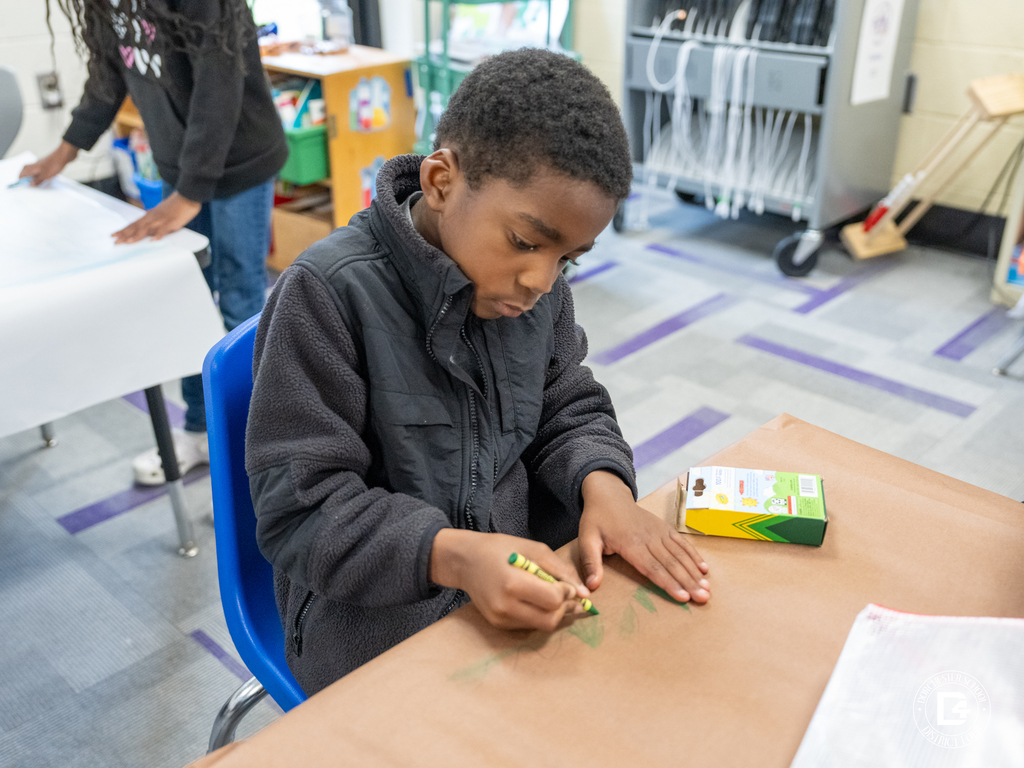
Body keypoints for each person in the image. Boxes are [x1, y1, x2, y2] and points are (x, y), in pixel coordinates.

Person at [245, 48, 712, 696]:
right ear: (440, 181)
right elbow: (301, 513)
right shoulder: (326, 295)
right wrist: (455, 555)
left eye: (568, 258)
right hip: (376, 633)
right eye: (525, 242)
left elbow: (566, 400)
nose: (540, 280)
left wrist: (604, 487)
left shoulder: (534, 291)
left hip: (522, 591)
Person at [23, 0, 287, 484]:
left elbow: (217, 88)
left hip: (239, 161)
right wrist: (66, 150)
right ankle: (199, 431)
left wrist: (190, 193)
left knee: (239, 299)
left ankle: (251, 452)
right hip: (184, 165)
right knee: (187, 297)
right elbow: (110, 74)